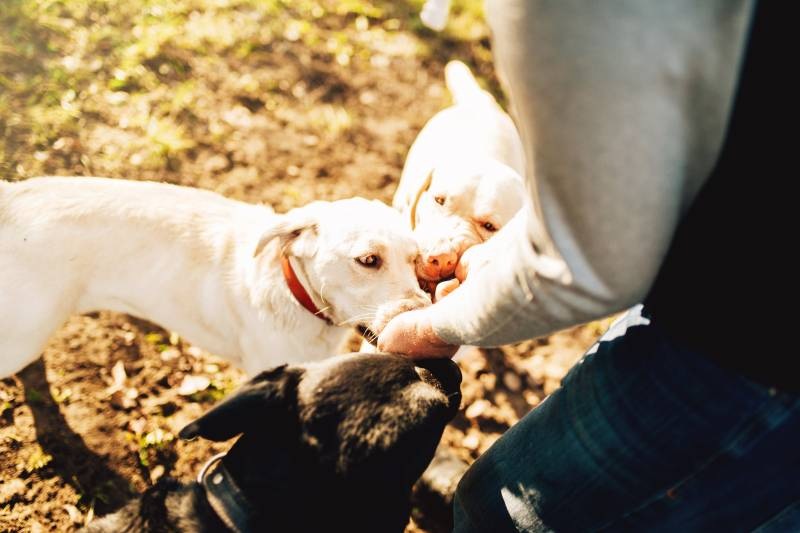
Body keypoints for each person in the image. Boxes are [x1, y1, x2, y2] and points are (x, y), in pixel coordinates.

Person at [378, 1, 799, 531]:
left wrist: (431, 326)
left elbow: (583, 263)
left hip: (748, 344)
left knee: (498, 514)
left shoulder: (579, 14)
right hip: (737, 297)